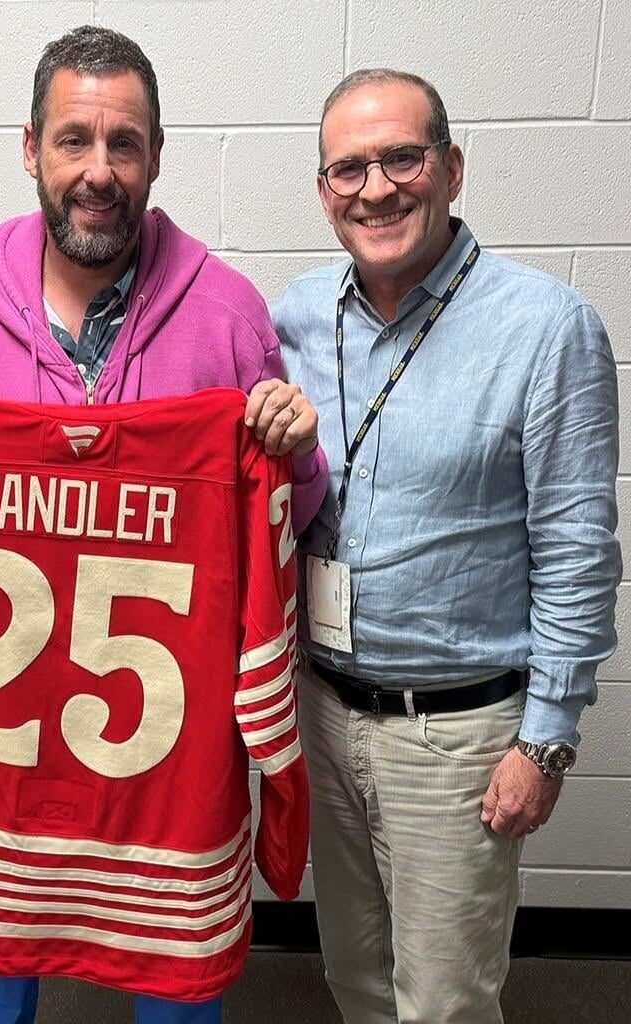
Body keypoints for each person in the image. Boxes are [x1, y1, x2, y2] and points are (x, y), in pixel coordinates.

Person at [0, 24, 328, 1024]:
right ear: (31, 149)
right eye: (74, 140)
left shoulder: (230, 312)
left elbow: (290, 513)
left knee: (179, 993)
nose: (98, 170)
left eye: (124, 145)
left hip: (163, 758)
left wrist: (291, 446)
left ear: (157, 156)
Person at [272, 69, 621, 1023]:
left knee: (446, 1004)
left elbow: (579, 551)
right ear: (322, 191)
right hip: (322, 713)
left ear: (451, 168)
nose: (376, 188)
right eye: (348, 168)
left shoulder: (546, 329)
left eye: (401, 158)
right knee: (352, 976)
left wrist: (545, 741)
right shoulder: (295, 319)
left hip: (458, 738)